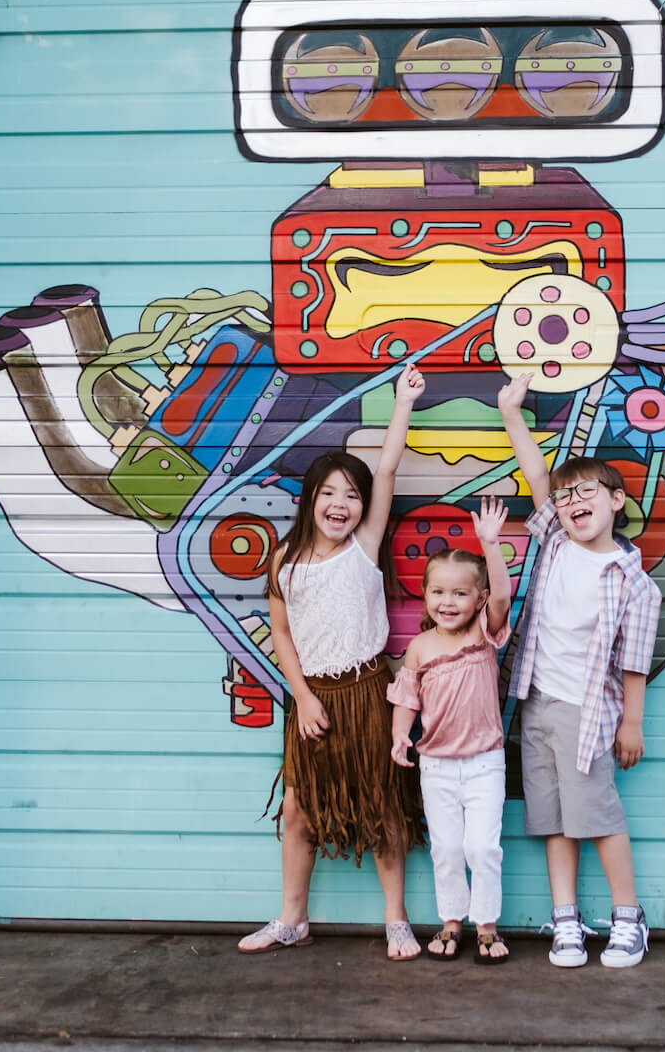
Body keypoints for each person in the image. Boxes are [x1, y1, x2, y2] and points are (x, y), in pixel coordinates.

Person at [237, 365, 429, 961]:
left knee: (382, 806)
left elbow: (390, 467)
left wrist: (402, 403)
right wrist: (303, 696)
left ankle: (396, 921)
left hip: (369, 694)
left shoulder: (365, 546)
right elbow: (283, 634)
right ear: (311, 500)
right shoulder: (284, 562)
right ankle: (293, 919)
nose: (341, 504)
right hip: (313, 699)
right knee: (297, 809)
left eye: (352, 494)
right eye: (330, 493)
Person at [495, 370, 663, 968]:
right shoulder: (557, 545)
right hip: (537, 702)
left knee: (597, 817)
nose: (571, 504)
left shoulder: (634, 585)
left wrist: (632, 724)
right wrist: (513, 413)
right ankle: (566, 921)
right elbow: (539, 476)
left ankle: (628, 917)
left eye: (586, 492)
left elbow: (635, 663)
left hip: (589, 713)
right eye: (564, 501)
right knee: (552, 820)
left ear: (617, 500)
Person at [388, 496, 515, 965]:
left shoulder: (484, 633)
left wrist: (490, 543)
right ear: (425, 595)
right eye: (438, 592)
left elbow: (502, 595)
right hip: (436, 765)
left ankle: (487, 925)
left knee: (481, 847)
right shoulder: (419, 647)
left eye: (460, 593)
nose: (448, 602)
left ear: (477, 600)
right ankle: (451, 923)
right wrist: (401, 735)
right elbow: (406, 699)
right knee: (445, 849)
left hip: (484, 763)